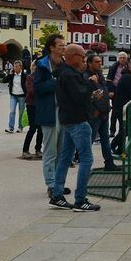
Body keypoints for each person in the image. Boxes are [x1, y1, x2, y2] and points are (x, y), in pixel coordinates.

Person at [48, 44, 100, 212]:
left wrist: (88, 90)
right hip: (78, 120)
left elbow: (75, 95)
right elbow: (79, 96)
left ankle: (57, 195)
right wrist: (91, 86)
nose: (84, 59)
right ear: (74, 57)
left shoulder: (63, 73)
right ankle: (80, 199)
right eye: (83, 56)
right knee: (86, 159)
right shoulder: (70, 75)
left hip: (67, 120)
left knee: (65, 158)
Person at [34, 34, 70, 198]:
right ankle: (51, 184)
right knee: (50, 150)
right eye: (61, 45)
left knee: (62, 150)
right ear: (52, 47)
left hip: (63, 110)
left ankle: (59, 183)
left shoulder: (65, 65)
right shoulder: (41, 65)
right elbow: (38, 89)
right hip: (49, 111)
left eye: (64, 45)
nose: (64, 47)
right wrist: (54, 81)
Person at [84, 53, 118, 171]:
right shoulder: (86, 76)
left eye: (100, 61)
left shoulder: (99, 75)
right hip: (95, 114)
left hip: (104, 112)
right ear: (90, 63)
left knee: (105, 140)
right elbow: (87, 95)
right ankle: (83, 162)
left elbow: (104, 90)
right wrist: (95, 110)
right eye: (97, 62)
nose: (100, 63)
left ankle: (109, 163)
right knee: (90, 140)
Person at [113, 59, 131, 154]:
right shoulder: (127, 77)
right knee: (125, 129)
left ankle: (119, 149)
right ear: (130, 67)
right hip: (122, 108)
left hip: (127, 107)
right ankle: (113, 145)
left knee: (125, 129)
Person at [21, 61, 42, 160]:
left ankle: (38, 149)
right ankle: (25, 150)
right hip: (32, 105)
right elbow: (31, 91)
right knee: (33, 128)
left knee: (41, 129)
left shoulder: (43, 78)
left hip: (41, 105)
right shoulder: (30, 77)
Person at [106, 52, 129, 137]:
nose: (122, 59)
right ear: (118, 59)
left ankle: (122, 130)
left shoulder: (128, 67)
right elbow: (109, 79)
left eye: (124, 58)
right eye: (121, 58)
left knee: (123, 111)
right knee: (115, 111)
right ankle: (112, 130)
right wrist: (111, 90)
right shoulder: (113, 67)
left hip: (124, 91)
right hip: (115, 90)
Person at [3, 60, 28, 133]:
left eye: (17, 66)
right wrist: (9, 74)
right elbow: (4, 81)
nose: (15, 68)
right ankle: (11, 128)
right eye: (14, 66)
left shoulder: (25, 75)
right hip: (13, 95)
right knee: (12, 111)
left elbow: (27, 85)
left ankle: (20, 127)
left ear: (21, 67)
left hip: (22, 96)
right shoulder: (12, 75)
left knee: (21, 112)